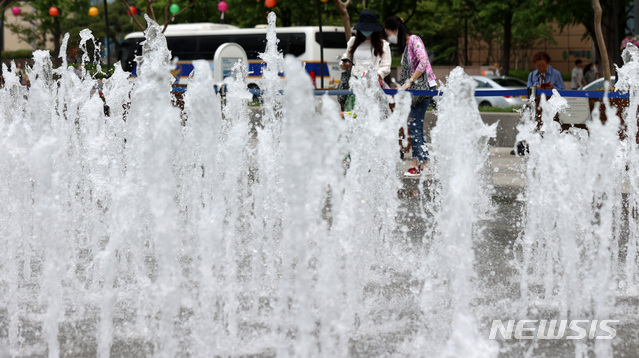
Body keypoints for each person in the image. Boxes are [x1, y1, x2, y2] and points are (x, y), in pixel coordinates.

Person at [384, 15, 437, 177]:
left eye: (389, 33)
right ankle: (424, 164)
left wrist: (410, 81)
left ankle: (418, 165)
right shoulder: (408, 45)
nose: (389, 37)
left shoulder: (414, 40)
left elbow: (424, 61)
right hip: (416, 91)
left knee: (414, 125)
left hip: (422, 89)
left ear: (396, 30)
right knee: (415, 126)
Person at [339, 10, 391, 112]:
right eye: (363, 28)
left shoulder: (383, 44)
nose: (366, 31)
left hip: (373, 86)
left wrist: (376, 75)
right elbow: (344, 60)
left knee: (372, 117)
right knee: (354, 117)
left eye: (369, 28)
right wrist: (344, 64)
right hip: (355, 86)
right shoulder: (353, 42)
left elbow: (386, 66)